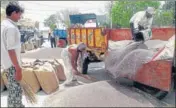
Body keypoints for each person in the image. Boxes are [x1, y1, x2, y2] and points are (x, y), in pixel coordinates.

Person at [1, 1, 25, 107]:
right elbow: (11, 50)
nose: (20, 17)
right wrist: (18, 68)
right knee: (15, 92)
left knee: (13, 91)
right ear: (14, 13)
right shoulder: (10, 28)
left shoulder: (3, 25)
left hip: (7, 63)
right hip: (12, 65)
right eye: (20, 14)